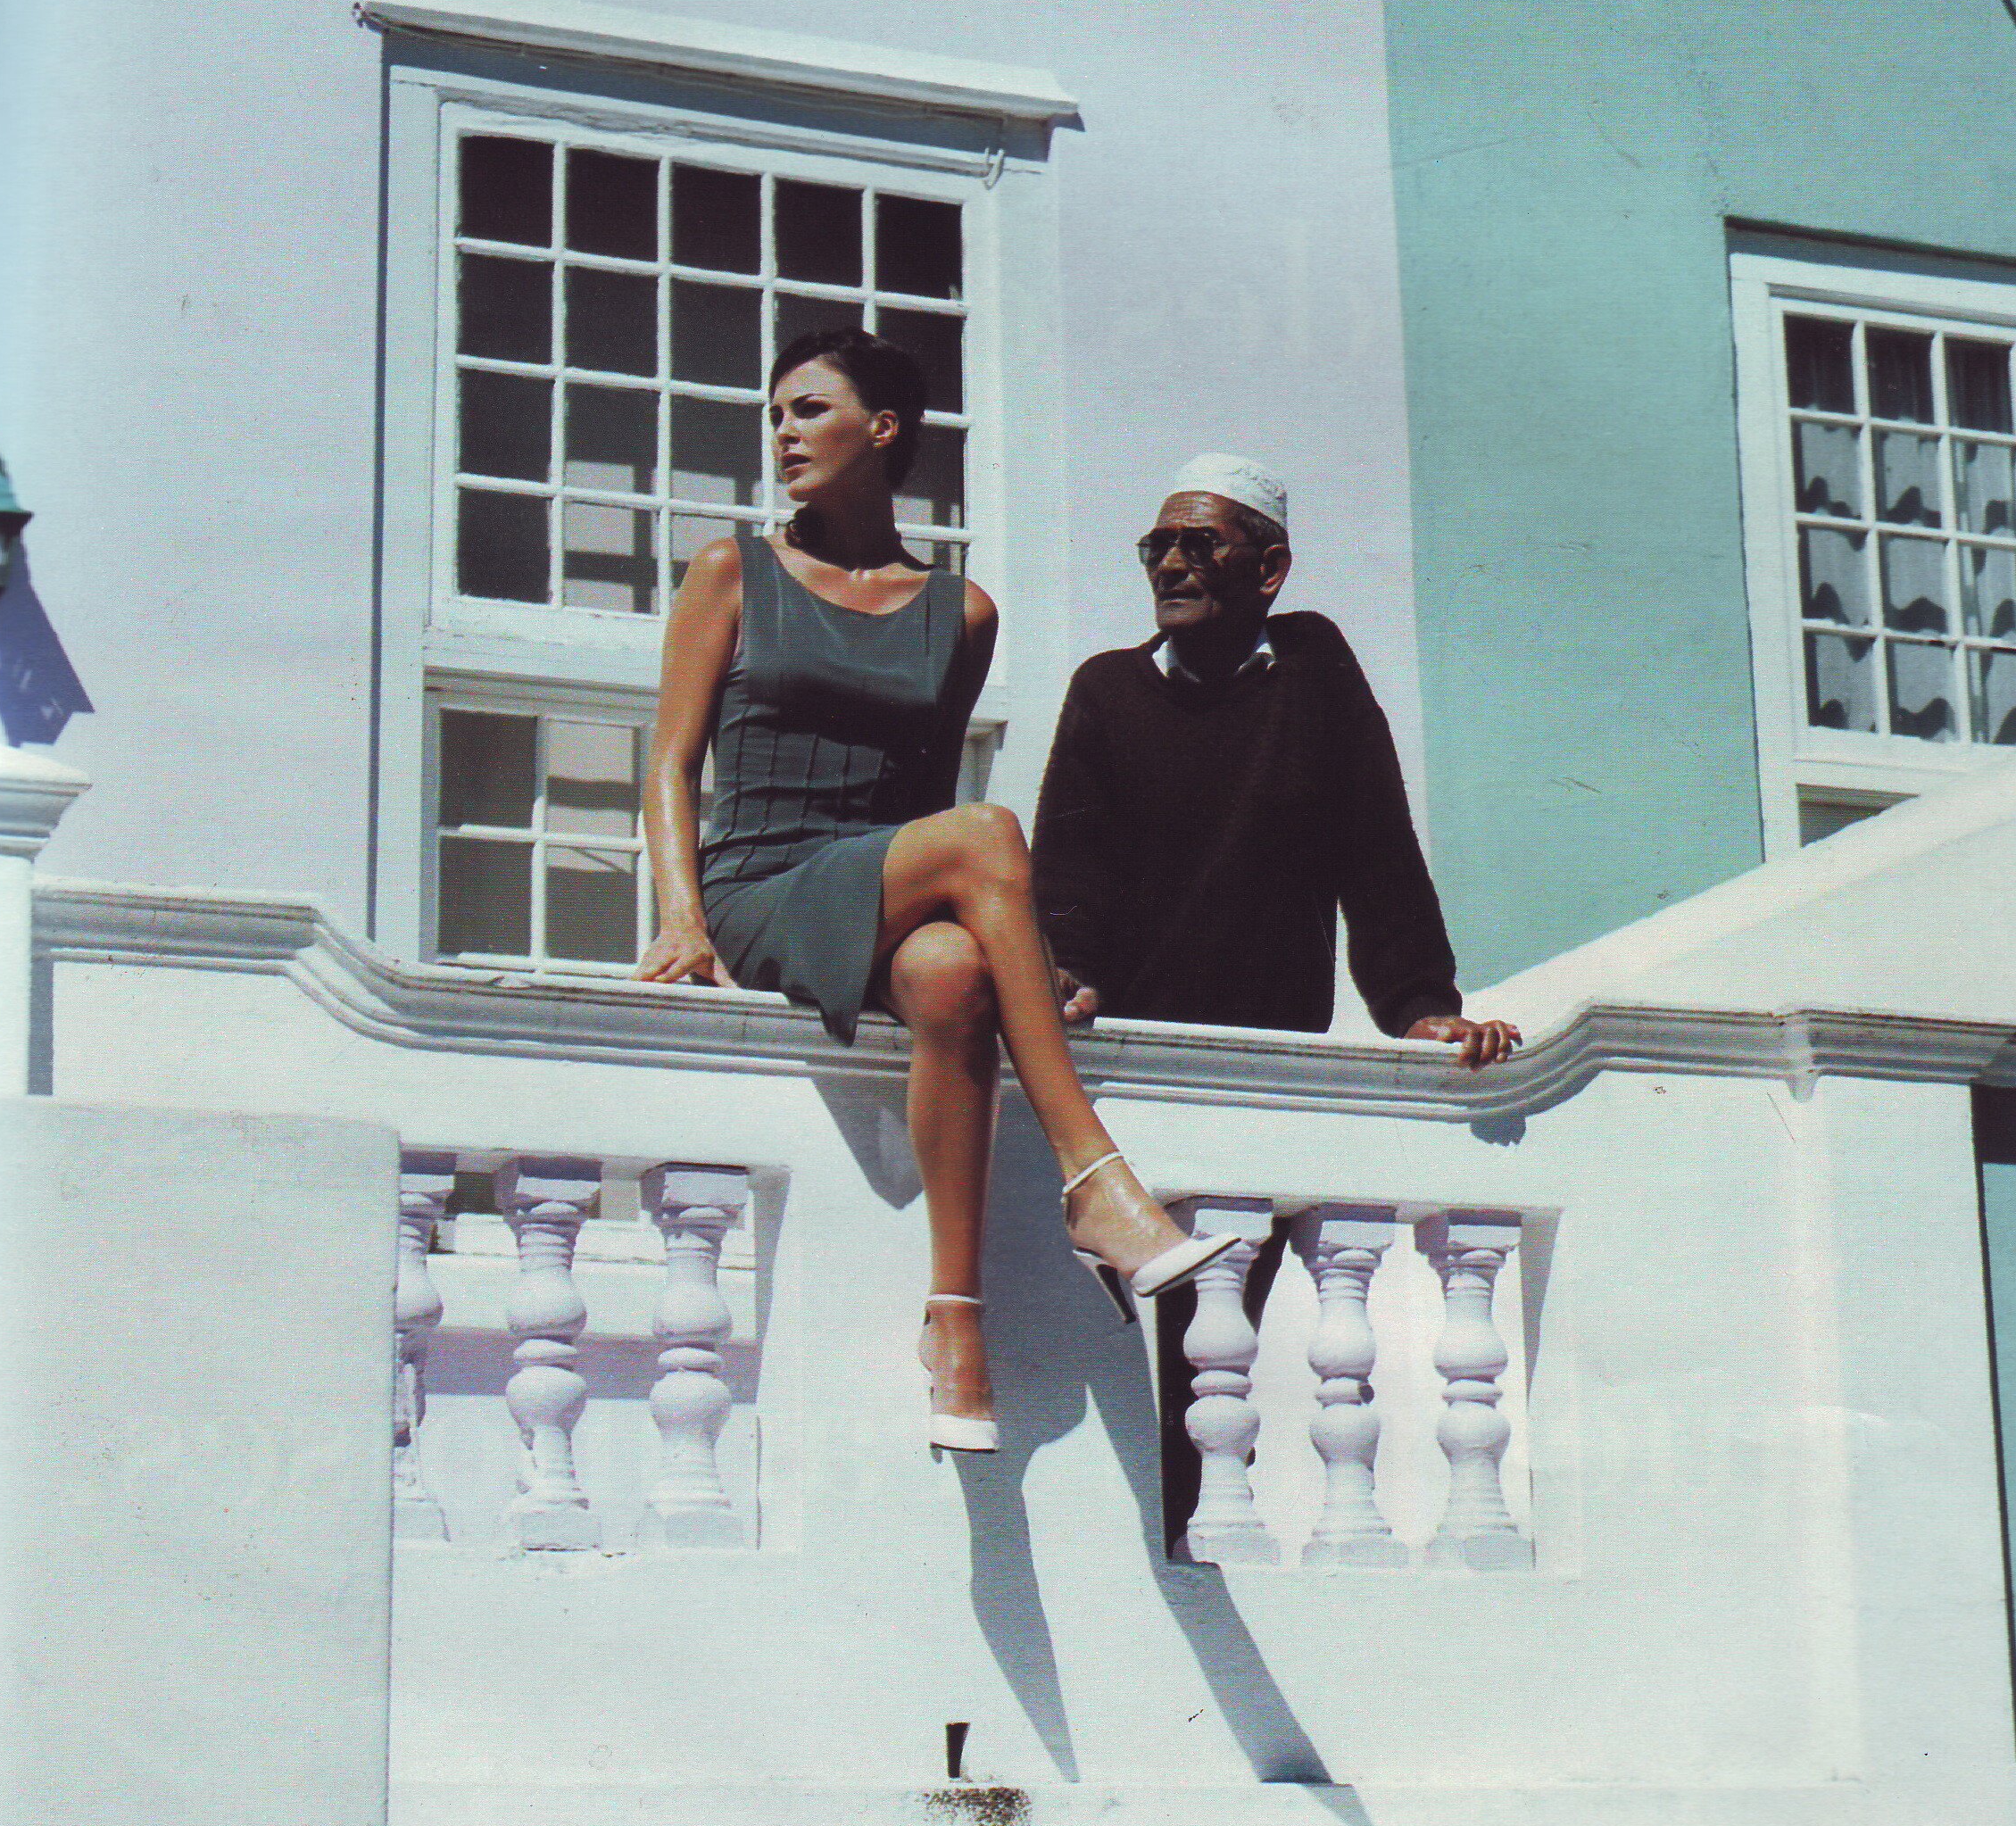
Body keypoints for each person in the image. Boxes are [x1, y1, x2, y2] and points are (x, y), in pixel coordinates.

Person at [635, 330, 1235, 1456]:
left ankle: (954, 1323)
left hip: (878, 883)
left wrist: (1023, 962)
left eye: (809, 409)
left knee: (956, 972)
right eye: (776, 414)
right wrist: (681, 917)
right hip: (760, 883)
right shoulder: (732, 570)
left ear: (883, 429)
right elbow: (670, 762)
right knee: (988, 830)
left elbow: (919, 804)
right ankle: (1092, 1179)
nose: (783, 433)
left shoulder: (960, 613)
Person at [1032, 455, 1517, 1067]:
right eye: (1156, 548)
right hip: (1127, 1056)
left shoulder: (1315, 671)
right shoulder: (1105, 690)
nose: (1170, 566)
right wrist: (1068, 974)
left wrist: (1420, 1006)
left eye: (1199, 545)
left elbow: (1380, 857)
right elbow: (1066, 873)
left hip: (1275, 1062)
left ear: (1269, 569)